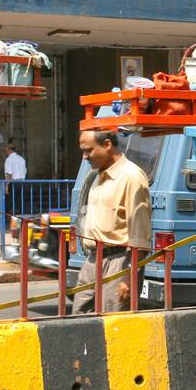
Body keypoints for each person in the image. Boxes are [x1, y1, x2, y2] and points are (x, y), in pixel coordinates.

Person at [74, 129, 152, 313]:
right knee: (77, 319)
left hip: (118, 263)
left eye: (88, 150)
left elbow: (139, 233)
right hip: (92, 261)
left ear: (107, 145)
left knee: (112, 322)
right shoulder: (97, 176)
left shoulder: (131, 177)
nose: (85, 157)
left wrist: (130, 277)